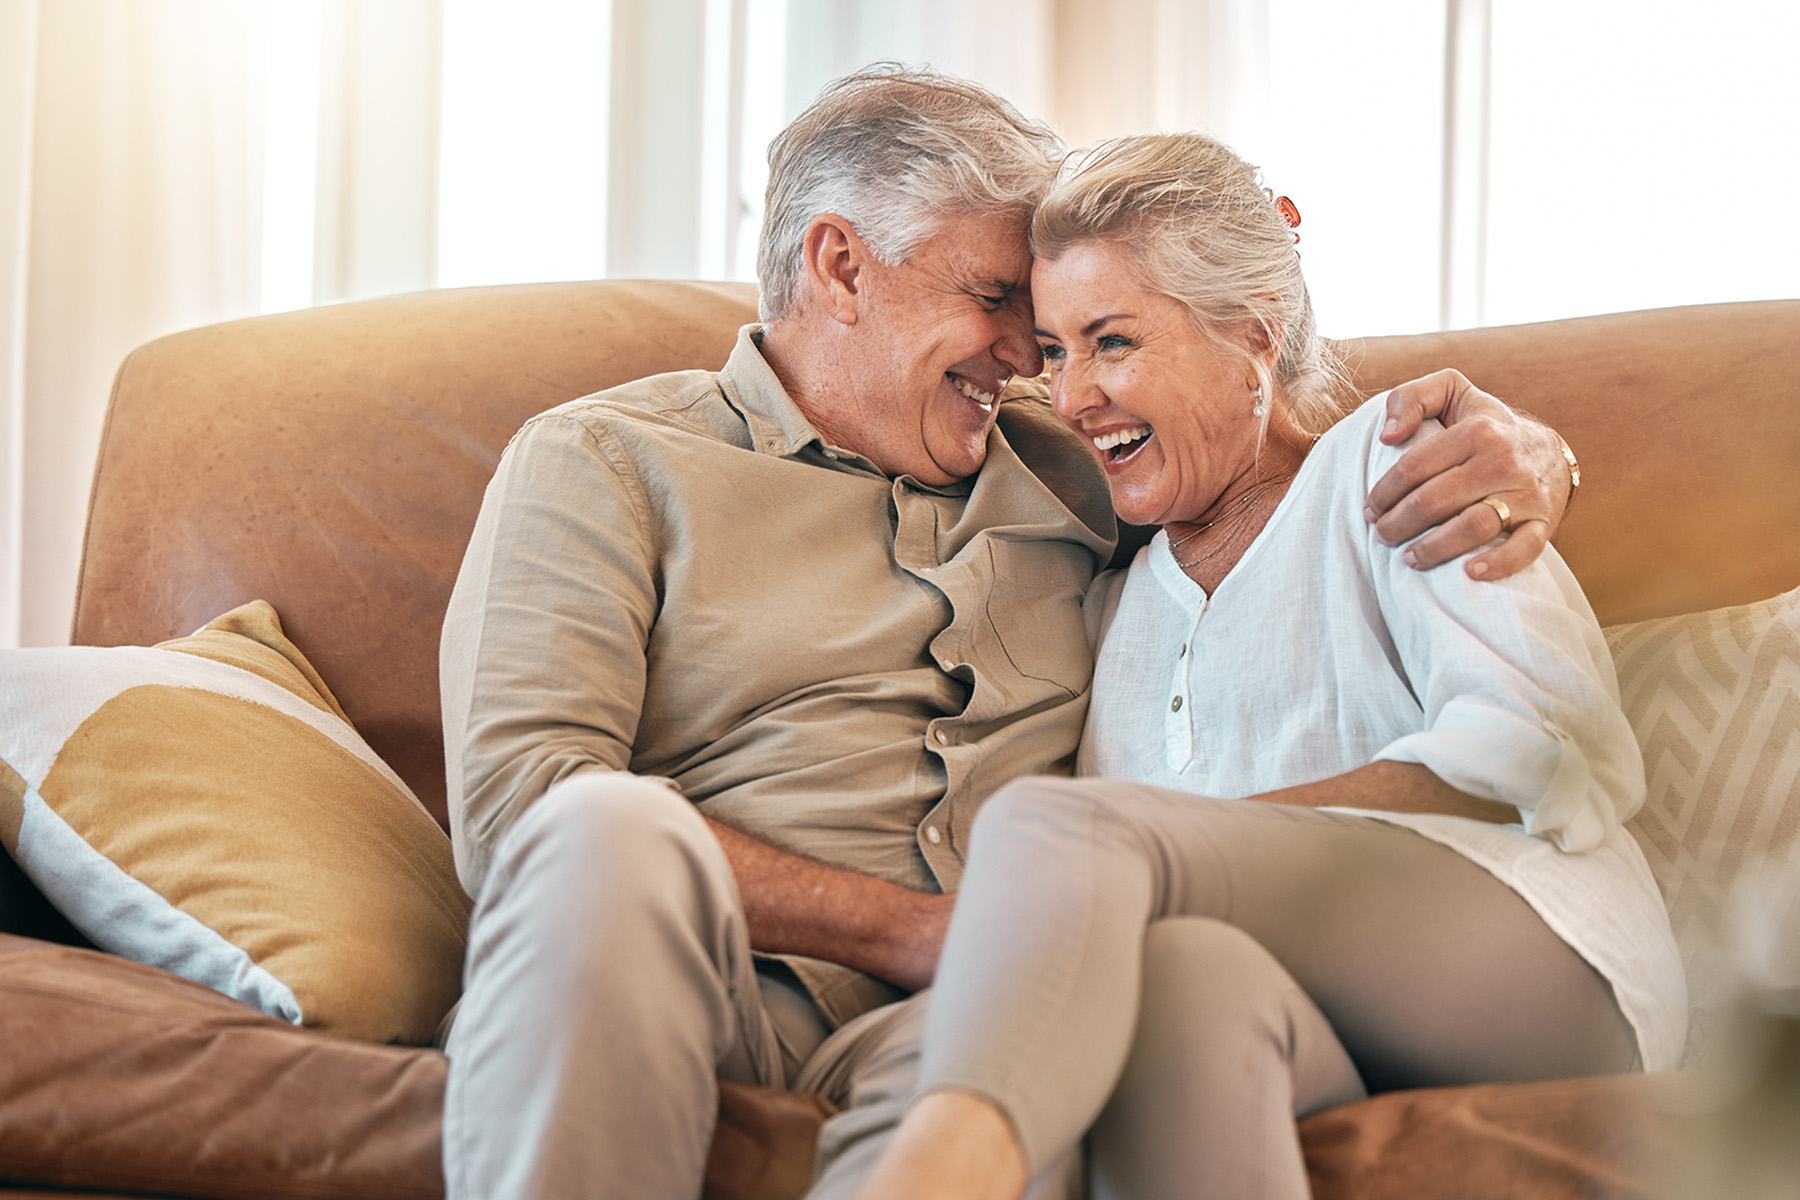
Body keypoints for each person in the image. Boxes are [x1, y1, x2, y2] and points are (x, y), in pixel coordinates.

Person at [436, 70, 1579, 1200]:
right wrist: (908, 931)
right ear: (840, 266)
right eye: (994, 298)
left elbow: (1256, 453)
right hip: (692, 978)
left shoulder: (1079, 460)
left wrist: (1519, 450)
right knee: (602, 827)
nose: (1034, 354)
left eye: (1048, 327)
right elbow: (517, 805)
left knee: (1067, 1039)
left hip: (981, 1015)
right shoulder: (605, 460)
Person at [847, 132, 1686, 1200]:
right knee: (1184, 981)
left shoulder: (1392, 468)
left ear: (1252, 335)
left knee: (1066, 832)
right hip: (1323, 1016)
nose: (1072, 398)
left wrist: (1194, 850)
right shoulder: (1114, 602)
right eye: (1053, 353)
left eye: (1113, 342)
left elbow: (1559, 751)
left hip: (1541, 967)